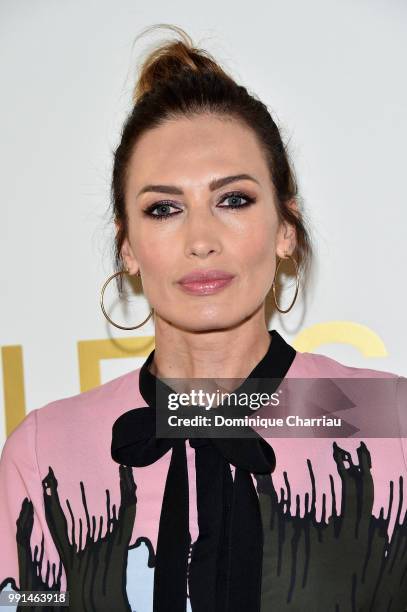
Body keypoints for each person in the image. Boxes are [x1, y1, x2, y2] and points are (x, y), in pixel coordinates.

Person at [1, 23, 406, 612]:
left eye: (233, 200)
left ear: (286, 228)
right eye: (164, 209)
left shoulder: (388, 424)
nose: (201, 240)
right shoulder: (45, 454)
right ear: (129, 247)